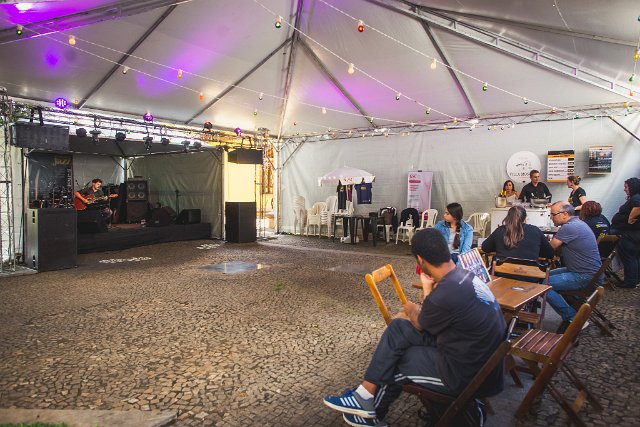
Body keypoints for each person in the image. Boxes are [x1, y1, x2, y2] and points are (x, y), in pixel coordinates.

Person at [322, 229, 506, 427]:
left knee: (398, 360)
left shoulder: (446, 292)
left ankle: (371, 415)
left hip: (466, 376)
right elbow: (429, 320)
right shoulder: (464, 276)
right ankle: (364, 394)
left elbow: (420, 322)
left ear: (420, 260)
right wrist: (427, 290)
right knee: (398, 328)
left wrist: (411, 309)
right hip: (480, 362)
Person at [546, 201, 602, 325]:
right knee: (544, 276)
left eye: (553, 214)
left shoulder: (569, 227)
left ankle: (574, 319)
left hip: (585, 275)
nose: (551, 217)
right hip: (588, 272)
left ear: (565, 214)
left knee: (543, 285)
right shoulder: (579, 223)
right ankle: (577, 308)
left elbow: (549, 249)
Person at [481, 205, 554, 261]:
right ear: (525, 218)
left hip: (501, 274)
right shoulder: (535, 231)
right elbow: (550, 254)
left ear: (508, 217)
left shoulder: (500, 230)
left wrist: (499, 246)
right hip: (530, 275)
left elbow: (485, 247)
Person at [610, 177, 640, 288]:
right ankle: (635, 279)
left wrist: (631, 218)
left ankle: (630, 282)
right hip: (633, 234)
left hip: (629, 234)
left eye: (626, 187)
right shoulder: (635, 197)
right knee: (635, 257)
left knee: (629, 258)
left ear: (632, 187)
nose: (624, 189)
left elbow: (638, 205)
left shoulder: (636, 198)